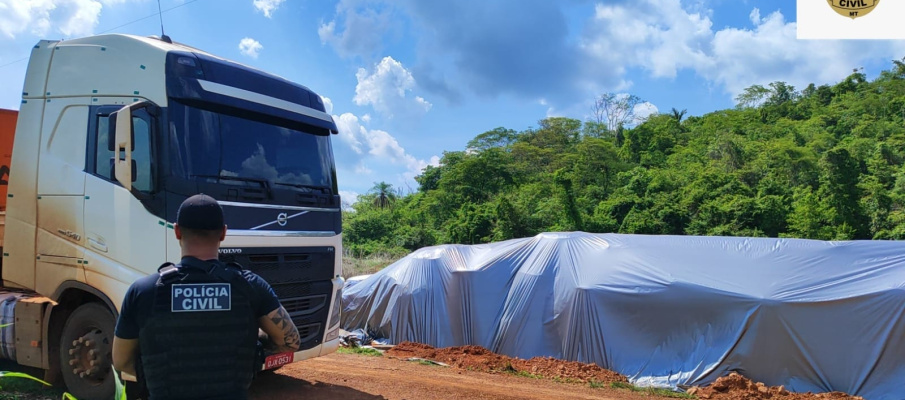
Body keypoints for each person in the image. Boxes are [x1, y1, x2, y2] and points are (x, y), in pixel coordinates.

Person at [112, 194, 300, 400]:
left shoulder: (143, 291)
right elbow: (291, 341)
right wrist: (250, 344)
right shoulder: (250, 286)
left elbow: (121, 361)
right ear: (223, 233)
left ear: (176, 231)